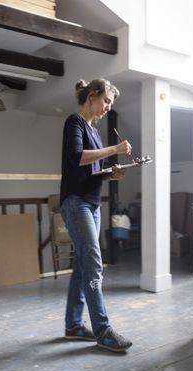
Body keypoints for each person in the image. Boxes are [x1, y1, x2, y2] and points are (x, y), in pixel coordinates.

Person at [60, 78, 133, 352]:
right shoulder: (75, 123)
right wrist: (114, 150)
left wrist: (111, 172)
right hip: (76, 202)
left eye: (110, 104)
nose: (107, 107)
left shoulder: (94, 131)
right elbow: (78, 157)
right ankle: (103, 330)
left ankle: (73, 326)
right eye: (106, 101)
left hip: (90, 203)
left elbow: (91, 169)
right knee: (93, 264)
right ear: (92, 96)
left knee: (82, 267)